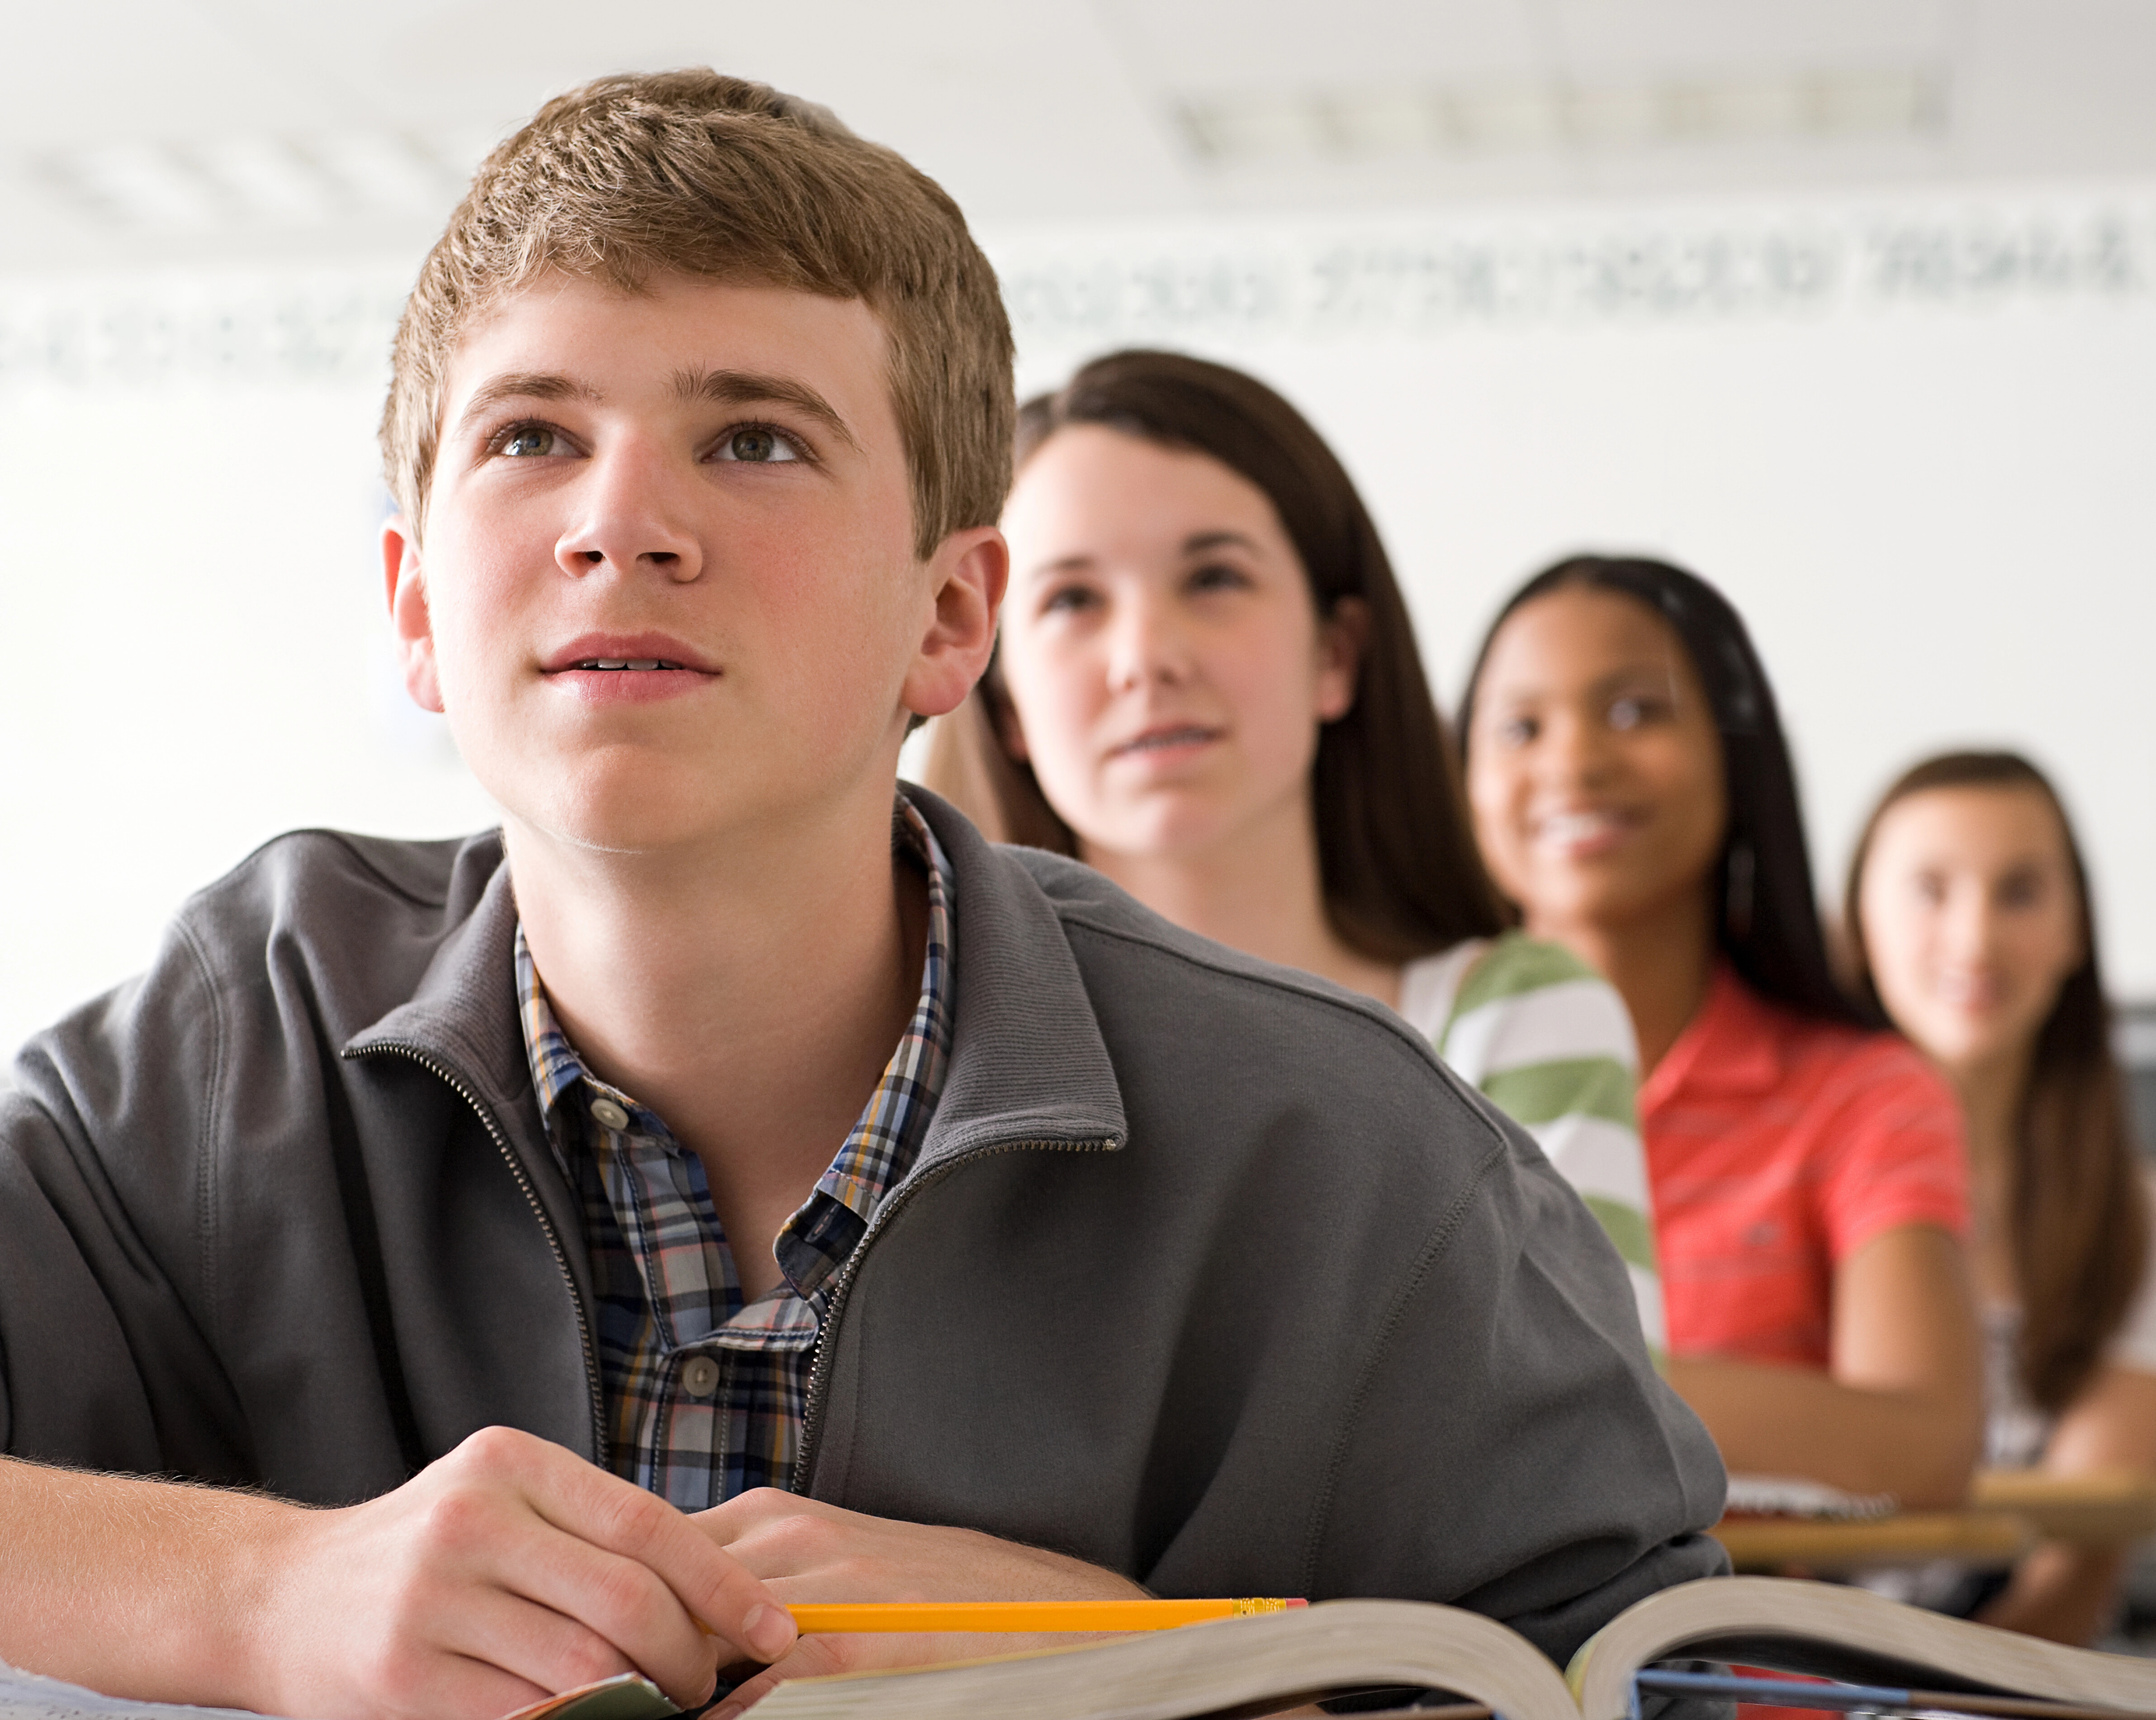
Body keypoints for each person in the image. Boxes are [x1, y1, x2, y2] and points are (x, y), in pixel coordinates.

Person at [0, 74, 1729, 1720]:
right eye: (532, 435)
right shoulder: (231, 1049)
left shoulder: (1366, 1164)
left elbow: (1685, 1681)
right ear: (412, 605)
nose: (622, 523)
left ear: (951, 615)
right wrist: (259, 1596)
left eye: (754, 439)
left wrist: (1145, 1671)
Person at [920, 350, 1663, 1345]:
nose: (1148, 658)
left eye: (1215, 577)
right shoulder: (919, 1035)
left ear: (1336, 655)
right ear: (1004, 699)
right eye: (1072, 602)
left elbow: (1577, 1449)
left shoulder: (1519, 1018)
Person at [1457, 556, 1981, 1508]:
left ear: (1737, 755)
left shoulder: (1865, 1091)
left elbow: (1926, 1444)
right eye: (1520, 726)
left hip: (1743, 1643)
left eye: (1633, 712)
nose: (1572, 761)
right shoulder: (1407, 1057)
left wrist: (1552, 1386)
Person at [1846, 751, 2156, 1645]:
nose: (1973, 940)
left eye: (2019, 892)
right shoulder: (1782, 1188)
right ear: (1857, 924)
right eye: (1929, 889)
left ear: (2074, 930)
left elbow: (2079, 1561)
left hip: (2019, 1686)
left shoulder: (2143, 1217)